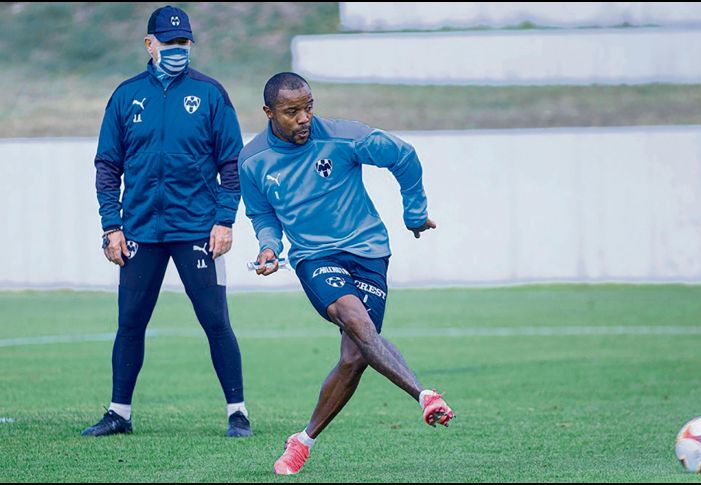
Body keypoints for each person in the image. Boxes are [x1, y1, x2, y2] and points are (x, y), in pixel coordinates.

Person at [239, 72, 455, 475]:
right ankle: (424, 396)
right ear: (269, 113)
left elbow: (402, 155)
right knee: (352, 318)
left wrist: (414, 211)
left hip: (369, 252)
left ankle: (302, 441)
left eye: (308, 107)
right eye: (291, 112)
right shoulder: (252, 161)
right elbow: (261, 213)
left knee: (355, 357)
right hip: (314, 257)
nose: (304, 118)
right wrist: (270, 246)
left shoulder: (343, 137)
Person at [83, 5, 252, 438]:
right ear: (149, 44)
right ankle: (119, 413)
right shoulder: (125, 96)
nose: (178, 50)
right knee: (130, 323)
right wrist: (111, 225)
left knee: (217, 322)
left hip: (198, 229)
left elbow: (231, 163)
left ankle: (238, 412)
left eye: (184, 43)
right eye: (170, 42)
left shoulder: (211, 94)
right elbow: (107, 165)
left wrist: (224, 220)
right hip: (139, 230)